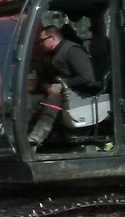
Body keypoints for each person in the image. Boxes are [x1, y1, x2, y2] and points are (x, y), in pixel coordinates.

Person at [28, 15, 99, 147]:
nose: (40, 44)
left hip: (79, 92)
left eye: (41, 41)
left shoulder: (73, 51)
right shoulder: (47, 56)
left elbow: (87, 77)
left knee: (54, 98)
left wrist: (61, 86)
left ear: (52, 38)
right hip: (55, 92)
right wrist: (47, 87)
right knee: (27, 101)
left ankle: (38, 136)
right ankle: (17, 135)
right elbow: (44, 79)